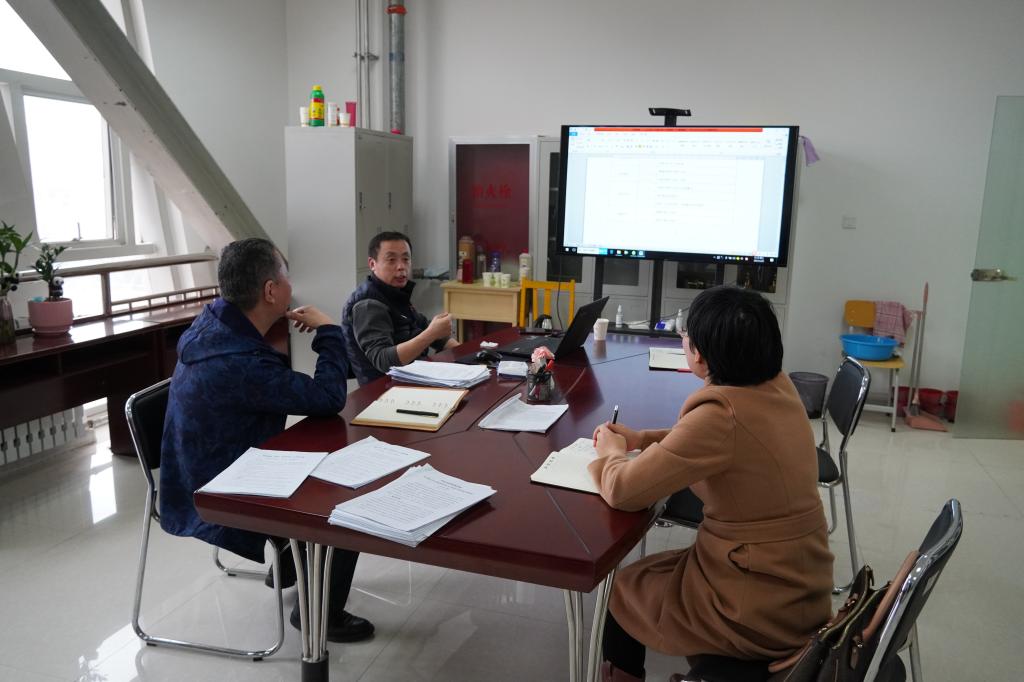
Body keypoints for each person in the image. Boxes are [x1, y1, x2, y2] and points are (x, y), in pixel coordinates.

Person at [590, 285, 834, 681]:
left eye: (686, 336)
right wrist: (641, 439)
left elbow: (623, 491)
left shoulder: (720, 415)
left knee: (626, 591)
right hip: (798, 579)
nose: (684, 340)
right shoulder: (776, 386)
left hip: (758, 599)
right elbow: (705, 441)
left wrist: (611, 453)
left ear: (700, 354)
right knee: (650, 575)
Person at [160, 238, 374, 643]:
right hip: (218, 488)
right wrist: (330, 332)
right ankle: (319, 613)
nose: (293, 283)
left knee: (321, 457)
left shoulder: (211, 325)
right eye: (286, 275)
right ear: (271, 291)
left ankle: (292, 563)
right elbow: (328, 398)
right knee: (344, 495)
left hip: (190, 471)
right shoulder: (240, 362)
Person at [342, 231, 459, 385]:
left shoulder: (394, 294)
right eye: (391, 260)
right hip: (385, 390)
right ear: (372, 264)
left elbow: (424, 327)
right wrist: (432, 333)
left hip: (412, 379)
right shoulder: (368, 305)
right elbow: (384, 361)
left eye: (406, 259)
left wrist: (469, 357)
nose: (401, 267)